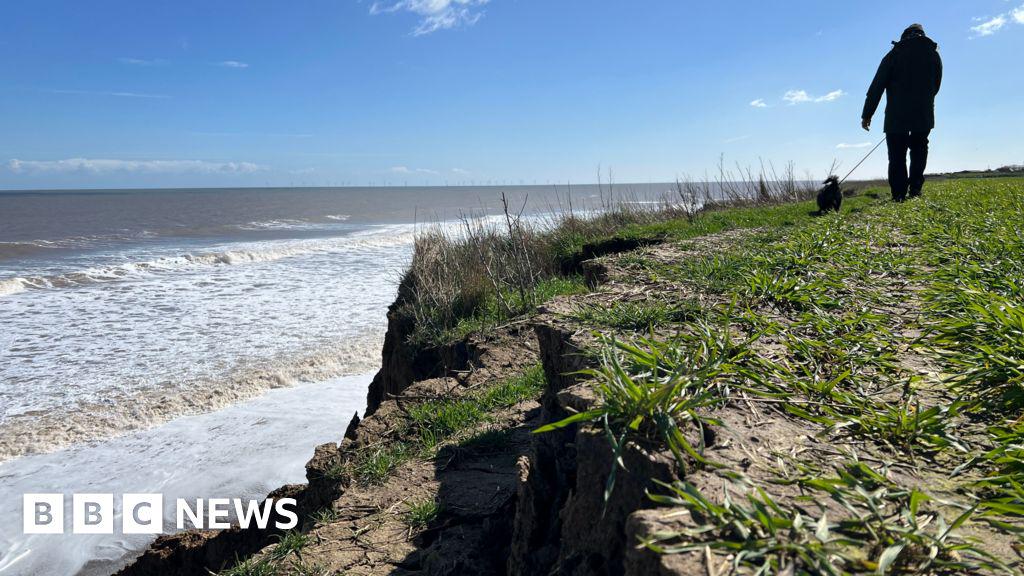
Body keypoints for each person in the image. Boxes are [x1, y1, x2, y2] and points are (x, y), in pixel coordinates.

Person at [861, 23, 942, 202]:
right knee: (919, 150)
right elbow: (936, 85)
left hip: (896, 116)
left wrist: (867, 114)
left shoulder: (894, 54)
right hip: (923, 113)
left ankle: (898, 194)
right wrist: (924, 102)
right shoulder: (933, 55)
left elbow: (877, 86)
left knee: (897, 155)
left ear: (904, 36)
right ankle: (915, 190)